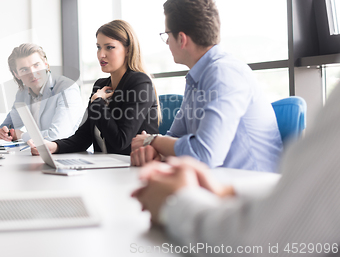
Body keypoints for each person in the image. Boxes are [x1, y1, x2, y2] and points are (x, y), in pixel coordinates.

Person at [133, 82, 340, 256]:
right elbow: (315, 191)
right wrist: (228, 193)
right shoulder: (195, 82)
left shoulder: (222, 73)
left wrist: (175, 200)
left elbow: (265, 240)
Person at [130, 0, 282, 172]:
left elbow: (205, 155)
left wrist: (152, 141)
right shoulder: (196, 78)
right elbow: (175, 137)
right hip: (219, 185)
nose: (167, 42)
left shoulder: (224, 73)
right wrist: (155, 150)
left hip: (253, 190)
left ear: (181, 39)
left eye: (167, 35)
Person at [30, 20, 159, 156]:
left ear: (127, 50)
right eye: (98, 47)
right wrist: (53, 146)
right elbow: (83, 138)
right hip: (105, 168)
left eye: (109, 47)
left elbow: (121, 142)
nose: (101, 54)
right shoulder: (100, 85)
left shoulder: (139, 83)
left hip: (133, 169)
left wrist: (97, 101)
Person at [0, 43, 83, 143]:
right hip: (40, 153)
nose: (33, 73)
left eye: (36, 65)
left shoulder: (67, 88)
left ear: (45, 64)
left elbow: (57, 135)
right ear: (17, 74)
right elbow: (7, 126)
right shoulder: (22, 93)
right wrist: (1, 134)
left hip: (69, 154)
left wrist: (21, 135)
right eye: (24, 69)